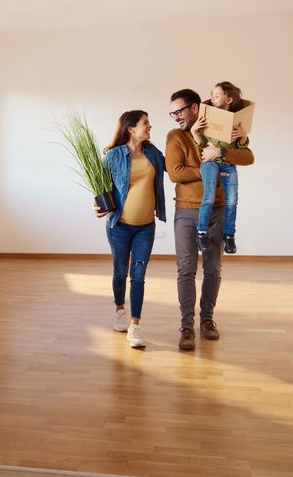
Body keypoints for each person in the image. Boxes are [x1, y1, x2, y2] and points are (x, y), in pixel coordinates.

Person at [165, 89, 254, 351]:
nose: (176, 117)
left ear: (195, 108)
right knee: (186, 270)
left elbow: (248, 156)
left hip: (217, 210)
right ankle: (186, 326)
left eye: (179, 111)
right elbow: (175, 173)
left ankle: (207, 320)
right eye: (173, 112)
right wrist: (210, 171)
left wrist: (222, 155)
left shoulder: (221, 131)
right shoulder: (175, 136)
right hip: (186, 211)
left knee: (213, 269)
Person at [94, 110, 166, 349]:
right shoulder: (113, 155)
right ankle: (119, 310)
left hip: (146, 227)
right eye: (145, 123)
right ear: (131, 128)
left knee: (138, 276)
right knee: (119, 271)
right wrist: (98, 205)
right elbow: (100, 187)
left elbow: (177, 169)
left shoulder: (154, 154)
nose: (150, 126)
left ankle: (135, 325)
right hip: (119, 226)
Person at [194, 81, 252, 255]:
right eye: (212, 94)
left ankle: (229, 236)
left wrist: (243, 137)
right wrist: (194, 132)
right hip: (210, 162)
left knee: (232, 200)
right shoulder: (207, 116)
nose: (212, 97)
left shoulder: (237, 120)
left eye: (217, 95)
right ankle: (201, 232)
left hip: (228, 164)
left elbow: (241, 150)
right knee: (209, 196)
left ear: (229, 99)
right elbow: (203, 147)